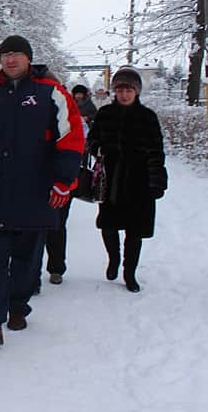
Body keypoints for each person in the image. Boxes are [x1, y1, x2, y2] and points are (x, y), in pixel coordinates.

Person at [0, 35, 84, 346]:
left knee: (27, 259)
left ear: (28, 58)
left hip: (36, 193)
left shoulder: (52, 94)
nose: (10, 60)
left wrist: (64, 182)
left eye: (16, 54)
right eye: (5, 55)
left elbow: (72, 141)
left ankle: (17, 306)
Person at [87, 67, 167, 293]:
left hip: (139, 181)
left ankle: (129, 272)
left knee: (135, 231)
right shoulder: (105, 115)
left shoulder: (147, 117)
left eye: (129, 89)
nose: (124, 94)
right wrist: (98, 148)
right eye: (120, 89)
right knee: (109, 226)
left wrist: (156, 181)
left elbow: (156, 151)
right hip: (111, 180)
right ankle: (113, 258)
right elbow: (91, 140)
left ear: (137, 91)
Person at [44, 83, 99, 286]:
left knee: (57, 224)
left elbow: (77, 146)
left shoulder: (70, 115)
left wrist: (66, 179)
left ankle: (56, 267)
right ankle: (32, 273)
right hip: (35, 180)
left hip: (63, 179)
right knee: (34, 228)